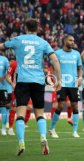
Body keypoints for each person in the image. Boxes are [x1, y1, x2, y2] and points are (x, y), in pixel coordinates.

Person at [0, 18, 61, 156]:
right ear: (37, 28)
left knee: (20, 113)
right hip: (38, 81)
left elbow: (2, 46)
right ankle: (43, 138)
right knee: (39, 113)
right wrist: (59, 80)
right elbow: (55, 60)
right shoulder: (43, 42)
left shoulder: (18, 40)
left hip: (22, 81)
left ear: (25, 27)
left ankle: (21, 142)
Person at [49, 35, 83, 138]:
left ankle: (75, 131)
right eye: (70, 40)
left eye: (73, 40)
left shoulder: (76, 54)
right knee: (60, 105)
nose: (72, 42)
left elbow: (80, 67)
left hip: (73, 84)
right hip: (62, 83)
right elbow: (53, 68)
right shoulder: (57, 53)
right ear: (64, 41)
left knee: (75, 106)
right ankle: (52, 128)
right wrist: (54, 80)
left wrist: (80, 77)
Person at [6, 60, 33, 136]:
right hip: (17, 89)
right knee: (14, 108)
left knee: (30, 107)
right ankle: (10, 128)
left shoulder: (28, 63)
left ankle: (23, 124)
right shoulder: (14, 63)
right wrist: (12, 84)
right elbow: (8, 76)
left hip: (27, 89)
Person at [0, 54, 10, 136]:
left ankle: (3, 128)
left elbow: (9, 71)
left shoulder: (4, 59)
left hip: (2, 87)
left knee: (4, 107)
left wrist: (3, 77)